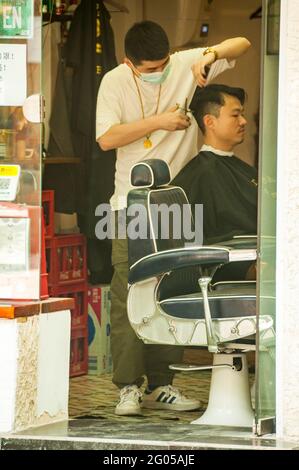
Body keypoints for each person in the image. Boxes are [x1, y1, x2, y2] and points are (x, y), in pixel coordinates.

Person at [96, 21, 251, 416]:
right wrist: (159, 122)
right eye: (149, 69)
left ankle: (163, 383)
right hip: (130, 205)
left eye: (162, 64)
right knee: (129, 292)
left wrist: (212, 56)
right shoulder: (114, 82)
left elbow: (243, 40)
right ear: (129, 63)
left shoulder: (184, 63)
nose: (158, 72)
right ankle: (129, 387)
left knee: (171, 287)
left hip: (177, 205)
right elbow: (106, 138)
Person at [173, 84, 257, 281]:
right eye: (235, 115)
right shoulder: (200, 175)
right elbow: (197, 245)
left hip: (257, 253)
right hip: (229, 265)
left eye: (242, 114)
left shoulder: (243, 169)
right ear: (210, 121)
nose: (244, 121)